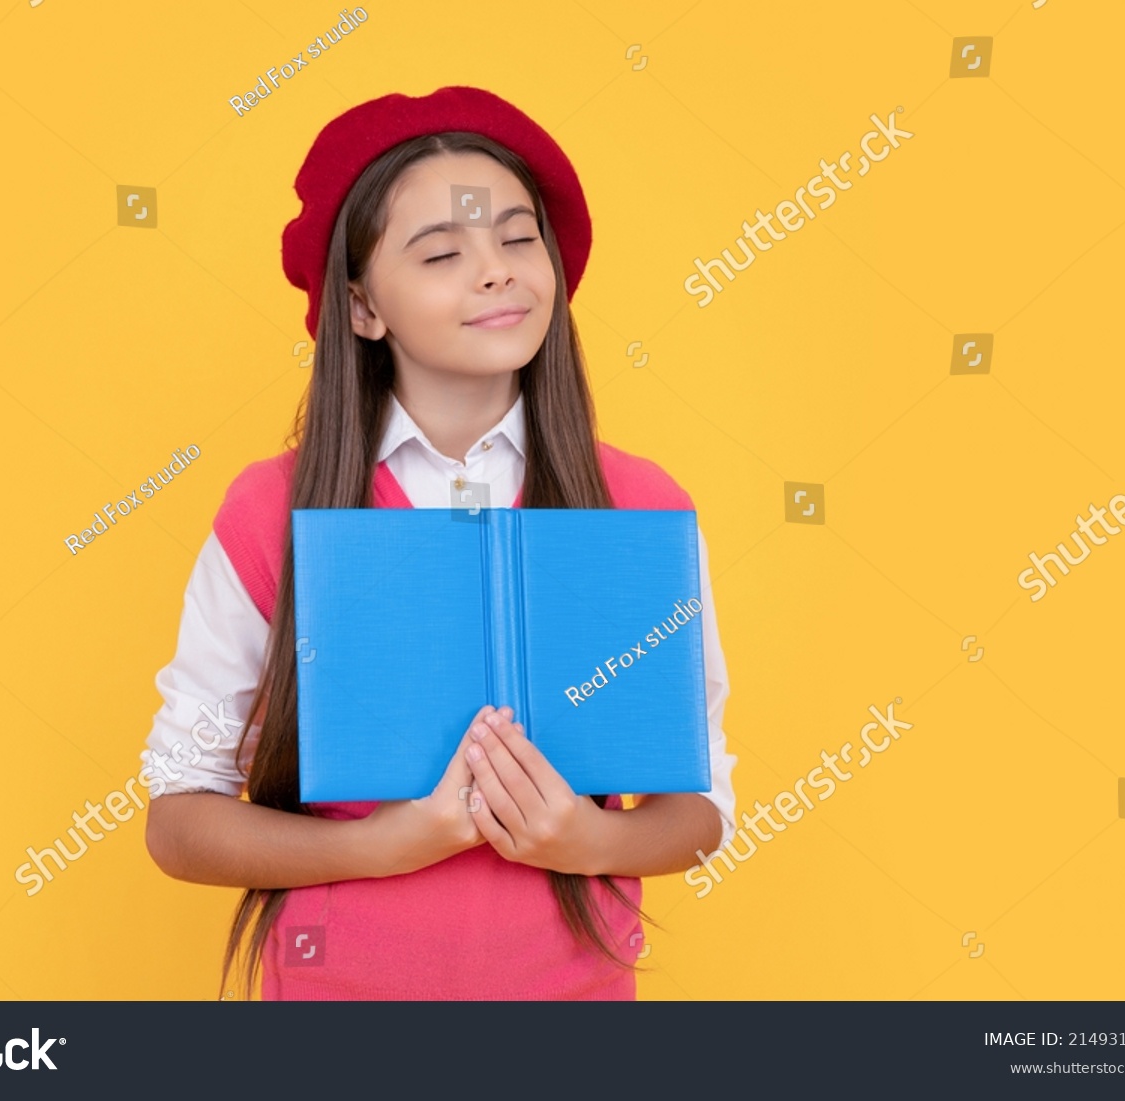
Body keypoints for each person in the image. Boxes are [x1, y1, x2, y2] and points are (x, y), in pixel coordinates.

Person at [141, 85, 738, 1000]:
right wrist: (378, 846)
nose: (495, 270)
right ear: (360, 307)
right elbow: (180, 821)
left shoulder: (638, 504)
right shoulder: (272, 510)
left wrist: (586, 841)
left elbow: (700, 809)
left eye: (516, 237)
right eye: (442, 252)